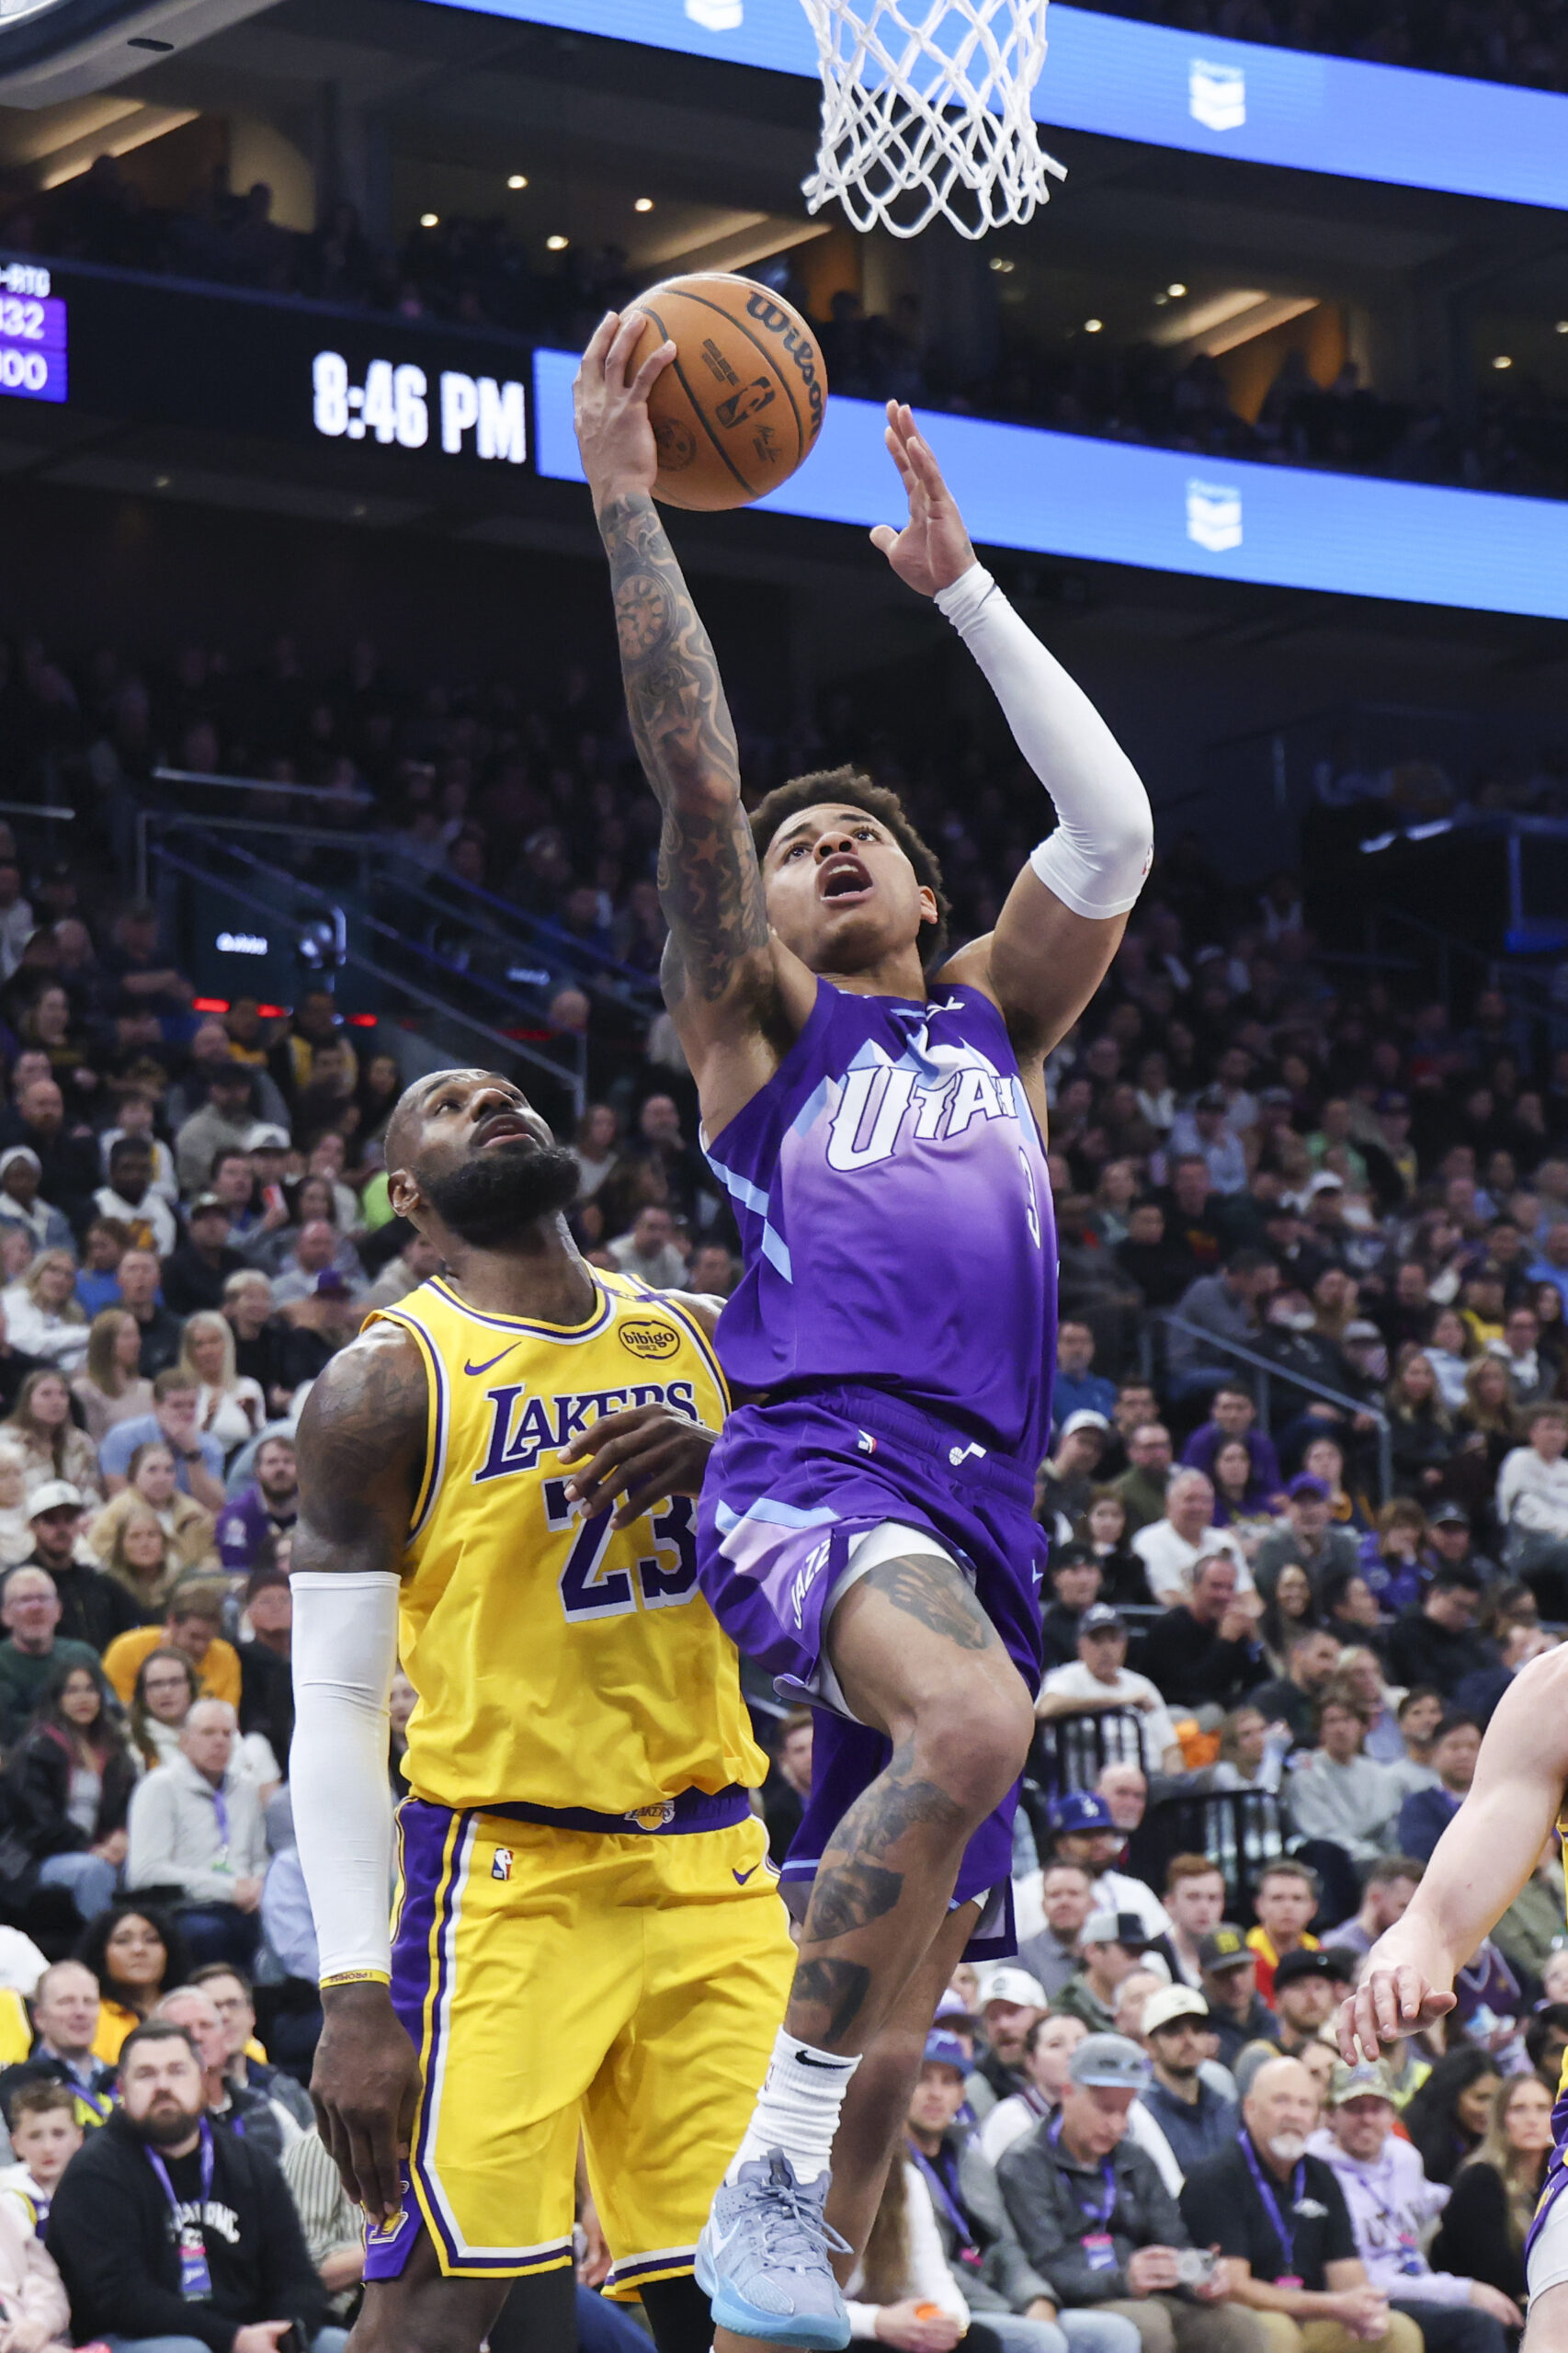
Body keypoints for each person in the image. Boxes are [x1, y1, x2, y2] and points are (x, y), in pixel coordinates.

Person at [578, 327, 1156, 2339]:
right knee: (984, 1722)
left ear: (925, 889)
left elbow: (1109, 831)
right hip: (817, 1464)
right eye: (793, 847)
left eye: (864, 839)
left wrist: (963, 593)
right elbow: (698, 771)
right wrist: (629, 496)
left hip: (982, 1504)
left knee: (901, 2040)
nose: (821, 849)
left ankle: (779, 2260)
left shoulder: (994, 1015)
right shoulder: (761, 1029)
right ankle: (756, 2161)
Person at [290, 1066, 794, 2353]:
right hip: (513, 1879)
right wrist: (353, 1990)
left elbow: (853, 1556)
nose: (490, 1102)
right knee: (429, 2309)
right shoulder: (382, 1385)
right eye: (449, 1106)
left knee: (747, 2299)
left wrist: (738, 1465)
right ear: (408, 1196)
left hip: (717, 1869)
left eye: (504, 1091)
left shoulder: (707, 1333)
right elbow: (341, 1703)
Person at [46, 2018, 347, 2353]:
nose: (163, 2085)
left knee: (339, 2345)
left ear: (203, 2079)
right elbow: (121, 2299)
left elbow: (296, 2275)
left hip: (248, 2334)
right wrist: (232, 2339)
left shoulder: (250, 2163)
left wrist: (288, 2333)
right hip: (133, 2338)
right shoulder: (93, 2173)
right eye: (146, 2074)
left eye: (177, 2071)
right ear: (122, 2089)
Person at [996, 2032, 1253, 2353]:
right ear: (1067, 2093)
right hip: (1076, 2298)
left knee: (1240, 2328)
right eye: (1105, 2109)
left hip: (1141, 2291)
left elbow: (1173, 2240)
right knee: (1148, 2325)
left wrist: (1199, 2278)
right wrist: (1122, 2280)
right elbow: (1042, 2266)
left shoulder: (1134, 2159)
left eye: (1125, 2111)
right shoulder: (1023, 2165)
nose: (1116, 2125)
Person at [1179, 2055, 1420, 2353]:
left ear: (1317, 2116)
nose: (1294, 2115)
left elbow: (1349, 2276)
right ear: (1250, 2109)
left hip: (1310, 2318)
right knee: (1278, 2332)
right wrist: (1330, 2304)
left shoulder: (1321, 2176)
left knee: (1397, 2331)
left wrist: (1367, 2310)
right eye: (1281, 2102)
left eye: (1304, 2105)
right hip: (1237, 2318)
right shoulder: (1215, 2177)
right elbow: (1234, 2287)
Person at [904, 2028, 1124, 2353]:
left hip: (996, 2294)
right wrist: (1013, 2310)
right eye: (923, 2079)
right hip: (936, 2304)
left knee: (1113, 2333)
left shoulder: (969, 2156)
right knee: (1041, 2339)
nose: (936, 2094)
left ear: (962, 2094)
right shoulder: (888, 2166)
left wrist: (1035, 2298)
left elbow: (1005, 2245)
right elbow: (923, 2265)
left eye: (948, 2081)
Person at [1307, 2058, 1518, 2353]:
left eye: (1377, 2108)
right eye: (1354, 2108)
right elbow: (1363, 2278)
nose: (1367, 2119)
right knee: (1477, 2323)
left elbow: (1429, 2197)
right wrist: (1465, 2291)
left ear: (1392, 2113)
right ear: (1330, 2115)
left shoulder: (1403, 2157)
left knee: (1510, 2311)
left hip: (1415, 2279)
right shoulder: (1315, 2173)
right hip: (1367, 2296)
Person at [124, 1697, 269, 1968]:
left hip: (244, 1905)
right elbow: (144, 1872)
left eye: (227, 1733)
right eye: (208, 1732)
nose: (219, 1742)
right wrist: (228, 1889)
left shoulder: (247, 1789)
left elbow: (259, 1857)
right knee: (210, 1932)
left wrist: (260, 1885)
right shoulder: (158, 1788)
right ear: (184, 1741)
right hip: (185, 1907)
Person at [0, 1658, 137, 1921]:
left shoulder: (114, 1748)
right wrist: (89, 1847)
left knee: (141, 1868)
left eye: (90, 1689)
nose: (82, 1698)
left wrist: (121, 1835)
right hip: (35, 1858)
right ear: (57, 1698)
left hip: (98, 1848)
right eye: (72, 1691)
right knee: (94, 1871)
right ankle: (104, 1948)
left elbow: (129, 1803)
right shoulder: (37, 1749)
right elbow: (38, 1824)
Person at [1429, 2075, 1552, 2306]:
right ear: (1500, 2118)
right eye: (1518, 2109)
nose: (1532, 2120)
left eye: (1542, 2108)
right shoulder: (1479, 2179)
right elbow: (1498, 2272)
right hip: (1481, 2308)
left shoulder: (1553, 2179)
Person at [1035, 1608, 1184, 1777]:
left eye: (1113, 1639)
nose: (1106, 1649)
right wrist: (1119, 1702)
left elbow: (1170, 1749)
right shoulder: (1066, 1678)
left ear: (1124, 1644)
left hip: (1152, 1781)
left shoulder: (1142, 1685)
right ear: (1080, 1645)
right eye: (1096, 1640)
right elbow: (1045, 1709)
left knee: (1218, 1776)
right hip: (1097, 1786)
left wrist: (1177, 1788)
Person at [0, 1958, 118, 2129]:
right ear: (39, 2018)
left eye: (89, 2002)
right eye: (66, 2002)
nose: (80, 2012)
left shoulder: (121, 2081)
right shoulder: (19, 2083)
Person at [1137, 1986, 1237, 2177]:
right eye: (1174, 2031)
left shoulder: (1226, 2108)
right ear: (1149, 2045)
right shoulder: (1142, 2116)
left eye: (1197, 2029)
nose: (1189, 2040)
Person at [102, 1576, 242, 1711]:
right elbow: (118, 1714)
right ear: (172, 1622)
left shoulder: (225, 1655)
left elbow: (227, 1716)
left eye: (208, 1639)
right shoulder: (127, 1650)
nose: (201, 1647)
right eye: (194, 1637)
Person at [1149, 1556, 1265, 1718]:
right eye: (1216, 1586)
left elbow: (1259, 1685)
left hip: (1226, 1713)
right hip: (1179, 1716)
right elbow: (1195, 1690)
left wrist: (1254, 1642)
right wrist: (1225, 1642)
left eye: (1230, 1588)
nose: (1224, 1595)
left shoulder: (1233, 1625)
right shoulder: (1169, 1627)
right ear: (1195, 1587)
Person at [1286, 1699, 1399, 1865]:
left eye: (1347, 1720)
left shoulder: (1378, 1774)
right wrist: (1364, 1853)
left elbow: (1386, 1823)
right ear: (1321, 1731)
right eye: (1332, 1721)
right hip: (1335, 1863)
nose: (1340, 1729)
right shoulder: (1307, 1775)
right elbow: (1321, 1832)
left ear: (1361, 1727)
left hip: (1380, 1860)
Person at [74, 1901, 189, 2063]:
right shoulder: (88, 2014)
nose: (139, 1949)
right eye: (122, 1941)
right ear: (100, 1954)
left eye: (151, 1940)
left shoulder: (191, 2009)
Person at [101, 1370, 227, 1515]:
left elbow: (213, 1506)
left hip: (188, 1523)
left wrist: (192, 1453)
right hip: (136, 1521)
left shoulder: (209, 1446)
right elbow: (120, 1499)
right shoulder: (122, 1437)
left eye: (191, 1405)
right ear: (156, 1405)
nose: (185, 1413)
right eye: (177, 1406)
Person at [0, 1568, 101, 1748]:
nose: (36, 1607)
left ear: (58, 1610)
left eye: (43, 1598)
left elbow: (110, 1715)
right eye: (24, 1600)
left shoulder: (82, 1655)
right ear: (5, 1615)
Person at [979, 2014, 1089, 2166]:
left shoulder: (1122, 2111)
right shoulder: (1009, 2118)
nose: (1072, 2051)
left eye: (1081, 2043)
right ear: (1031, 2061)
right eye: (1056, 2044)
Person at [1131, 1472, 1249, 1608]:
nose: (1198, 1508)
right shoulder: (1149, 1540)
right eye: (1190, 1500)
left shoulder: (1225, 1540)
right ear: (1169, 1503)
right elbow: (1170, 1598)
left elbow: (1248, 1595)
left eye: (1205, 1501)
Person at [1397, 2053, 1503, 2191]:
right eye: (1480, 2098)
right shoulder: (1407, 2145)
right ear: (1452, 2096)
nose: (1490, 2109)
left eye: (1496, 2099)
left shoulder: (1495, 2144)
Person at [1383, 1569, 1492, 1699]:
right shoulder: (1407, 1634)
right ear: (1435, 1594)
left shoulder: (1467, 1639)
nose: (1465, 1615)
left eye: (1470, 1609)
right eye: (1459, 1605)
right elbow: (1423, 1683)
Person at [0, 2074, 85, 2231]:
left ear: (79, 2138)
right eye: (35, 2136)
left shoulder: (97, 2191)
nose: (48, 2148)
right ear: (16, 2144)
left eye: (58, 2134)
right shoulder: (10, 2202)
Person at [1392, 1713, 1481, 1865]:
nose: (1464, 1755)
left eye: (1473, 1747)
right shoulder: (1418, 1806)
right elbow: (1421, 1855)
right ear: (1434, 1753)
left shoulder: (1496, 1802)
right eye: (1454, 1747)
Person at [1057, 1915, 1158, 2036]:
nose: (1138, 1962)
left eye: (1141, 1953)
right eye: (1130, 1951)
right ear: (1093, 1952)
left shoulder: (1150, 1999)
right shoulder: (1067, 2011)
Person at [71, 1305, 153, 1448]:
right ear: (105, 1343)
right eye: (127, 1336)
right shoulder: (85, 1390)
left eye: (136, 1335)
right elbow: (93, 1443)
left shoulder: (147, 1388)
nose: (137, 1342)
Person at [1247, 1629, 1342, 1752]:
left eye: (1335, 1660)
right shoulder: (1268, 1698)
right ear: (1297, 1655)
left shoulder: (1335, 1700)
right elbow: (1274, 1743)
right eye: (1323, 1656)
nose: (1330, 1667)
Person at [215, 1434, 297, 1575]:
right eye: (272, 1462)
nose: (280, 1468)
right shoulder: (237, 1515)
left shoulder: (316, 1511)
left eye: (288, 1461)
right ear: (257, 1471)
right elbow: (234, 1571)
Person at [1199, 1931, 1279, 2071]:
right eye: (1223, 1973)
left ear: (1253, 1966)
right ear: (1202, 1975)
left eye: (1241, 1969)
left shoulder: (1270, 2019)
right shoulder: (1196, 2025)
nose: (1235, 1981)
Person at [1017, 1864, 1096, 2001]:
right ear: (1043, 1905)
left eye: (1073, 1893)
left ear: (1092, 1903)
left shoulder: (1108, 1953)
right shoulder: (1020, 1958)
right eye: (1055, 1895)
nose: (1064, 1902)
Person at [1244, 1865, 1320, 2006]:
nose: (1288, 1907)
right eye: (1277, 1898)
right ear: (1259, 1906)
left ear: (1313, 1908)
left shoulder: (1322, 1956)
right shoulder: (1244, 1959)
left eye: (1297, 1899)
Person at [1320, 1859, 1423, 1959]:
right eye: (1404, 1907)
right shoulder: (1336, 1948)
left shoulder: (1413, 1950)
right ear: (1375, 1897)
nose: (1410, 1917)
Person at [1162, 1859, 1227, 1992]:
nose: (1204, 1908)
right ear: (1170, 1903)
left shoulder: (1232, 1949)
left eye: (1213, 1898)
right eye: (1193, 1897)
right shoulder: (1154, 1954)